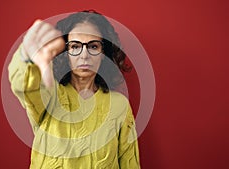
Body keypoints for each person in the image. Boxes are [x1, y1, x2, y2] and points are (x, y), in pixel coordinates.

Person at [8, 10, 141, 169]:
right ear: (65, 52)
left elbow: (129, 162)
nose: (84, 55)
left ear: (103, 53)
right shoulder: (51, 94)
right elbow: (25, 86)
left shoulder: (119, 105)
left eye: (93, 46)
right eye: (75, 46)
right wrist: (26, 56)